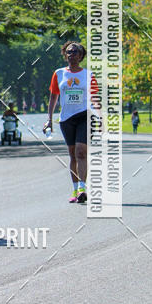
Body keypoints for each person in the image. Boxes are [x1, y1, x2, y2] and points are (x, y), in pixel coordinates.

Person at [43, 40, 98, 204]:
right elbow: (53, 97)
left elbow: (95, 98)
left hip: (85, 116)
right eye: (68, 52)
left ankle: (82, 188)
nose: (71, 54)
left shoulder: (88, 75)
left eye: (75, 52)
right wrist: (49, 120)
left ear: (81, 56)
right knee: (73, 155)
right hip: (66, 119)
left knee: (81, 151)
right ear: (65, 54)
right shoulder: (58, 73)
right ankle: (75, 190)